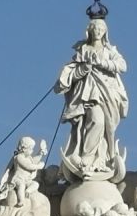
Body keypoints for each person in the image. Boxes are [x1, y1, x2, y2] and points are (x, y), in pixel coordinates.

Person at [53, 9, 129, 174]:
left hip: (108, 92)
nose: (98, 32)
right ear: (90, 30)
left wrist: (102, 63)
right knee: (97, 120)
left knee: (107, 128)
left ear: (105, 32)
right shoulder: (83, 49)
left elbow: (123, 65)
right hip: (88, 93)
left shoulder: (109, 50)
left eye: (101, 30)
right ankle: (87, 157)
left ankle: (102, 158)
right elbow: (71, 71)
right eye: (95, 28)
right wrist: (82, 69)